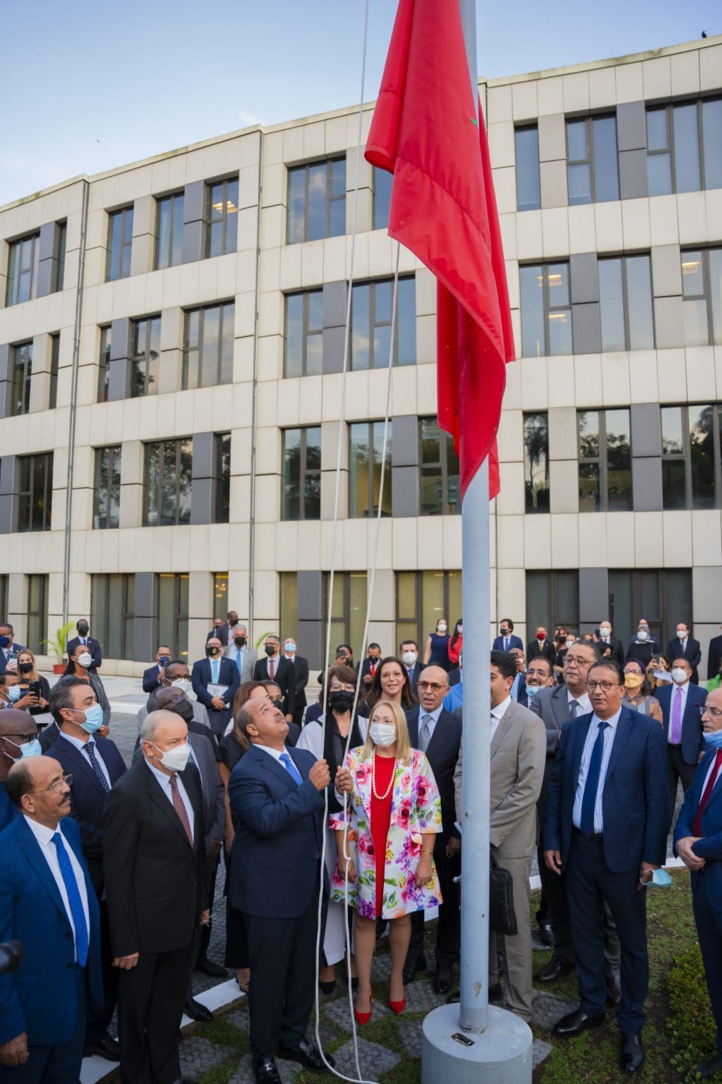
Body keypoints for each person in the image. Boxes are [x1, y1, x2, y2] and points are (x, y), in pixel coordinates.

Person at [544, 659, 668, 1074]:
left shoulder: (646, 731)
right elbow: (559, 787)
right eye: (592, 684)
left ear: (623, 689)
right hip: (578, 850)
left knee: (631, 941)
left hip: (626, 855)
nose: (597, 691)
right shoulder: (574, 730)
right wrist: (553, 841)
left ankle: (631, 1023)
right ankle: (592, 1005)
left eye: (606, 684)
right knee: (585, 932)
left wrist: (651, 857)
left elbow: (659, 798)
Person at [228, 695, 334, 1083]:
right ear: (252, 729)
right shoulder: (245, 772)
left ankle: (293, 1037)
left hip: (308, 883)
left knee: (304, 969)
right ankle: (263, 1052)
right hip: (269, 891)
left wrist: (336, 787)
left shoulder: (304, 759)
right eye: (265, 709)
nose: (276, 708)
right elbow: (265, 820)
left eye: (275, 704)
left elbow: (319, 810)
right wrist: (311, 789)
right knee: (269, 976)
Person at [103, 710, 208, 1084]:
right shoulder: (127, 793)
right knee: (135, 1013)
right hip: (143, 932)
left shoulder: (189, 776)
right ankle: (137, 1076)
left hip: (183, 922)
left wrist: (202, 906)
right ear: (149, 748)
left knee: (167, 1008)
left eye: (185, 740)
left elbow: (194, 849)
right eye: (174, 743)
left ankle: (167, 1073)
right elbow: (117, 875)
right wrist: (125, 940)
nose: (184, 749)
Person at [333, 700, 442, 1025]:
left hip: (404, 858)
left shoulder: (417, 761)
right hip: (364, 854)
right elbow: (343, 810)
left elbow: (430, 813)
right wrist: (343, 854)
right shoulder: (355, 757)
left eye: (388, 720)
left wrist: (425, 860)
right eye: (376, 719)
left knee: (401, 920)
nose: (381, 725)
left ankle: (396, 977)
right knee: (364, 920)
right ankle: (364, 987)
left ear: (399, 727)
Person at [453, 651, 546, 1023]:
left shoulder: (528, 723)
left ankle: (520, 1002)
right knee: (477, 914)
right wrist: (466, 823)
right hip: (473, 836)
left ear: (509, 681)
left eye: (489, 676)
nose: (481, 684)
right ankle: (485, 983)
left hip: (509, 840)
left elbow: (528, 787)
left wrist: (486, 832)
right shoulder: (469, 719)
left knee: (513, 921)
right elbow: (461, 772)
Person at [0, 757, 103, 1081]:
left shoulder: (69, 829)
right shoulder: (5, 856)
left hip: (75, 998)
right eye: (54, 784)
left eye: (64, 778)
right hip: (31, 1015)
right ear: (28, 802)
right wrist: (9, 1027)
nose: (66, 788)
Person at [530, 640, 621, 997]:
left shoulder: (608, 706)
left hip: (595, 817)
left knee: (604, 898)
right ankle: (564, 954)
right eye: (568, 659)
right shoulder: (544, 698)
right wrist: (571, 735)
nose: (571, 665)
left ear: (598, 668)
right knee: (555, 889)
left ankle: (608, 967)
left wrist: (557, 737)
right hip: (551, 810)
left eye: (581, 661)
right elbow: (534, 736)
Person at [44, 678, 127, 1062]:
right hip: (86, 872)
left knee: (114, 951)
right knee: (86, 956)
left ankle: (101, 1025)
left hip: (122, 874)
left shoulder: (108, 747)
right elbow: (68, 822)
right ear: (67, 713)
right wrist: (119, 843)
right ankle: (82, 1032)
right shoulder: (53, 758)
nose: (97, 707)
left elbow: (128, 799)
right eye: (89, 701)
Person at [133, 688, 227, 1016]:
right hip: (172, 862)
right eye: (172, 699)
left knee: (202, 911)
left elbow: (215, 789)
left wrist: (214, 835)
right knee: (174, 932)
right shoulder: (147, 750)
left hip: (206, 846)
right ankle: (177, 995)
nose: (182, 700)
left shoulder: (201, 738)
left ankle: (198, 959)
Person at [296, 665, 367, 992]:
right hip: (326, 824)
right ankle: (328, 962)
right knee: (331, 895)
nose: (341, 690)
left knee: (359, 893)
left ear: (356, 691)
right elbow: (308, 776)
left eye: (347, 685)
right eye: (335, 685)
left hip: (363, 826)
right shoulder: (313, 729)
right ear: (326, 693)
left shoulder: (367, 727)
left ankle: (355, 958)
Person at [674, 686, 722, 1080]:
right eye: (705, 710)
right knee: (715, 969)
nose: (704, 718)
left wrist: (700, 845)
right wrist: (681, 838)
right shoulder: (708, 760)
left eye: (714, 712)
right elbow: (690, 802)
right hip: (703, 883)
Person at [404, 666, 461, 994]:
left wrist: (456, 831)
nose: (427, 690)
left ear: (446, 690)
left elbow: (459, 779)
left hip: (444, 827)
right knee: (409, 893)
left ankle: (444, 961)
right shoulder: (404, 721)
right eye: (423, 684)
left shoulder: (459, 726)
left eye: (435, 686)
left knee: (448, 898)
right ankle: (413, 955)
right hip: (406, 828)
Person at [656, 656, 707, 829]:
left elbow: (705, 724)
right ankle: (664, 827)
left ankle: (693, 826)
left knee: (691, 791)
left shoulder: (700, 694)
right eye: (675, 667)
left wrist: (704, 749)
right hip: (665, 751)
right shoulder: (661, 692)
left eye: (682, 667)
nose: (678, 670)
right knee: (666, 792)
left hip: (690, 752)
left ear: (690, 672)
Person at [42, 642, 112, 750]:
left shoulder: (95, 678)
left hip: (97, 732)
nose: (87, 654)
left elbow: (105, 706)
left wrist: (102, 726)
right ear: (73, 658)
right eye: (82, 652)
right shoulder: (66, 680)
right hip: (77, 731)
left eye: (88, 652)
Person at [137, 658, 210, 733]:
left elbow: (208, 739)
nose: (183, 681)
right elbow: (145, 741)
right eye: (177, 677)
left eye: (186, 677)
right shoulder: (147, 712)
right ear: (165, 681)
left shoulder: (200, 709)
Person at [0, 709, 40, 832]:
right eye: (27, 738)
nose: (35, 743)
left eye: (35, 736)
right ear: (2, 743)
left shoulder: (36, 779)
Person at [192, 636, 240, 738]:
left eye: (215, 644)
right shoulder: (198, 665)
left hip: (225, 707)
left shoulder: (231, 664)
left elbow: (235, 684)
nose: (212, 647)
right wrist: (211, 700)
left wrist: (222, 700)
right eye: (210, 645)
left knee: (225, 736)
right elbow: (196, 685)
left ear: (221, 648)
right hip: (206, 706)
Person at [253, 635, 296, 722]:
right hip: (264, 706)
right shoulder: (259, 664)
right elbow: (255, 686)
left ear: (278, 647)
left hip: (282, 705)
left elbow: (291, 690)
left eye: (271, 644)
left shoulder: (288, 664)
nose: (268, 646)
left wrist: (290, 713)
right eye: (267, 644)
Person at [622, 659, 663, 724]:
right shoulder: (615, 699)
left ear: (642, 677)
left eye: (635, 672)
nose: (630, 674)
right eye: (626, 671)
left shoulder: (652, 702)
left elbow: (657, 729)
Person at [283, 637, 309, 728]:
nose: (290, 643)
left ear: (296, 647)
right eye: (287, 642)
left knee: (297, 725)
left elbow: (304, 679)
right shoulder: (280, 660)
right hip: (283, 699)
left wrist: (294, 691)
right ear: (283, 646)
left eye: (292, 642)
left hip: (299, 699)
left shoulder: (303, 662)